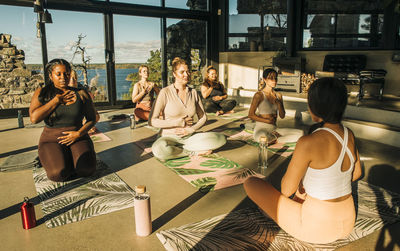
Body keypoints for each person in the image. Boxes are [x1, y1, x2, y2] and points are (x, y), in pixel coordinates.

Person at [244, 77, 363, 244]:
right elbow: (357, 173)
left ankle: (273, 212)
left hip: (316, 228)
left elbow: (286, 190)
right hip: (348, 220)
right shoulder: (349, 134)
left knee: (251, 183)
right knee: (304, 188)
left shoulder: (308, 142)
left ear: (315, 107)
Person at [29, 59, 97, 182]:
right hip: (51, 139)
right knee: (58, 174)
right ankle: (56, 157)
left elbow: (92, 119)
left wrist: (79, 134)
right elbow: (34, 118)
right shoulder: (42, 92)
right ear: (51, 76)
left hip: (77, 136)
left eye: (66, 74)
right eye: (58, 74)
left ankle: (68, 158)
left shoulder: (81, 93)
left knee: (87, 170)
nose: (63, 77)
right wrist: (56, 101)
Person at [149, 57, 225, 160]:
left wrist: (191, 129)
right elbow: (152, 121)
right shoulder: (165, 92)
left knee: (220, 139)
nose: (186, 74)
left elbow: (203, 118)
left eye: (188, 72)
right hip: (169, 137)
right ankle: (191, 151)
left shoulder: (193, 92)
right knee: (159, 149)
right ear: (174, 74)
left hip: (189, 136)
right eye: (182, 72)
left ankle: (183, 148)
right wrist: (178, 122)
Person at [247, 68, 285, 142]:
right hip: (261, 128)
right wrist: (267, 121)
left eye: (275, 78)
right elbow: (250, 115)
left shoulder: (279, 95)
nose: (274, 80)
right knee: (263, 138)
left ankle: (274, 138)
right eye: (271, 78)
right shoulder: (259, 95)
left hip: (274, 129)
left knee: (300, 134)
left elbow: (282, 116)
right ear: (264, 79)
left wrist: (279, 104)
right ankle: (275, 138)